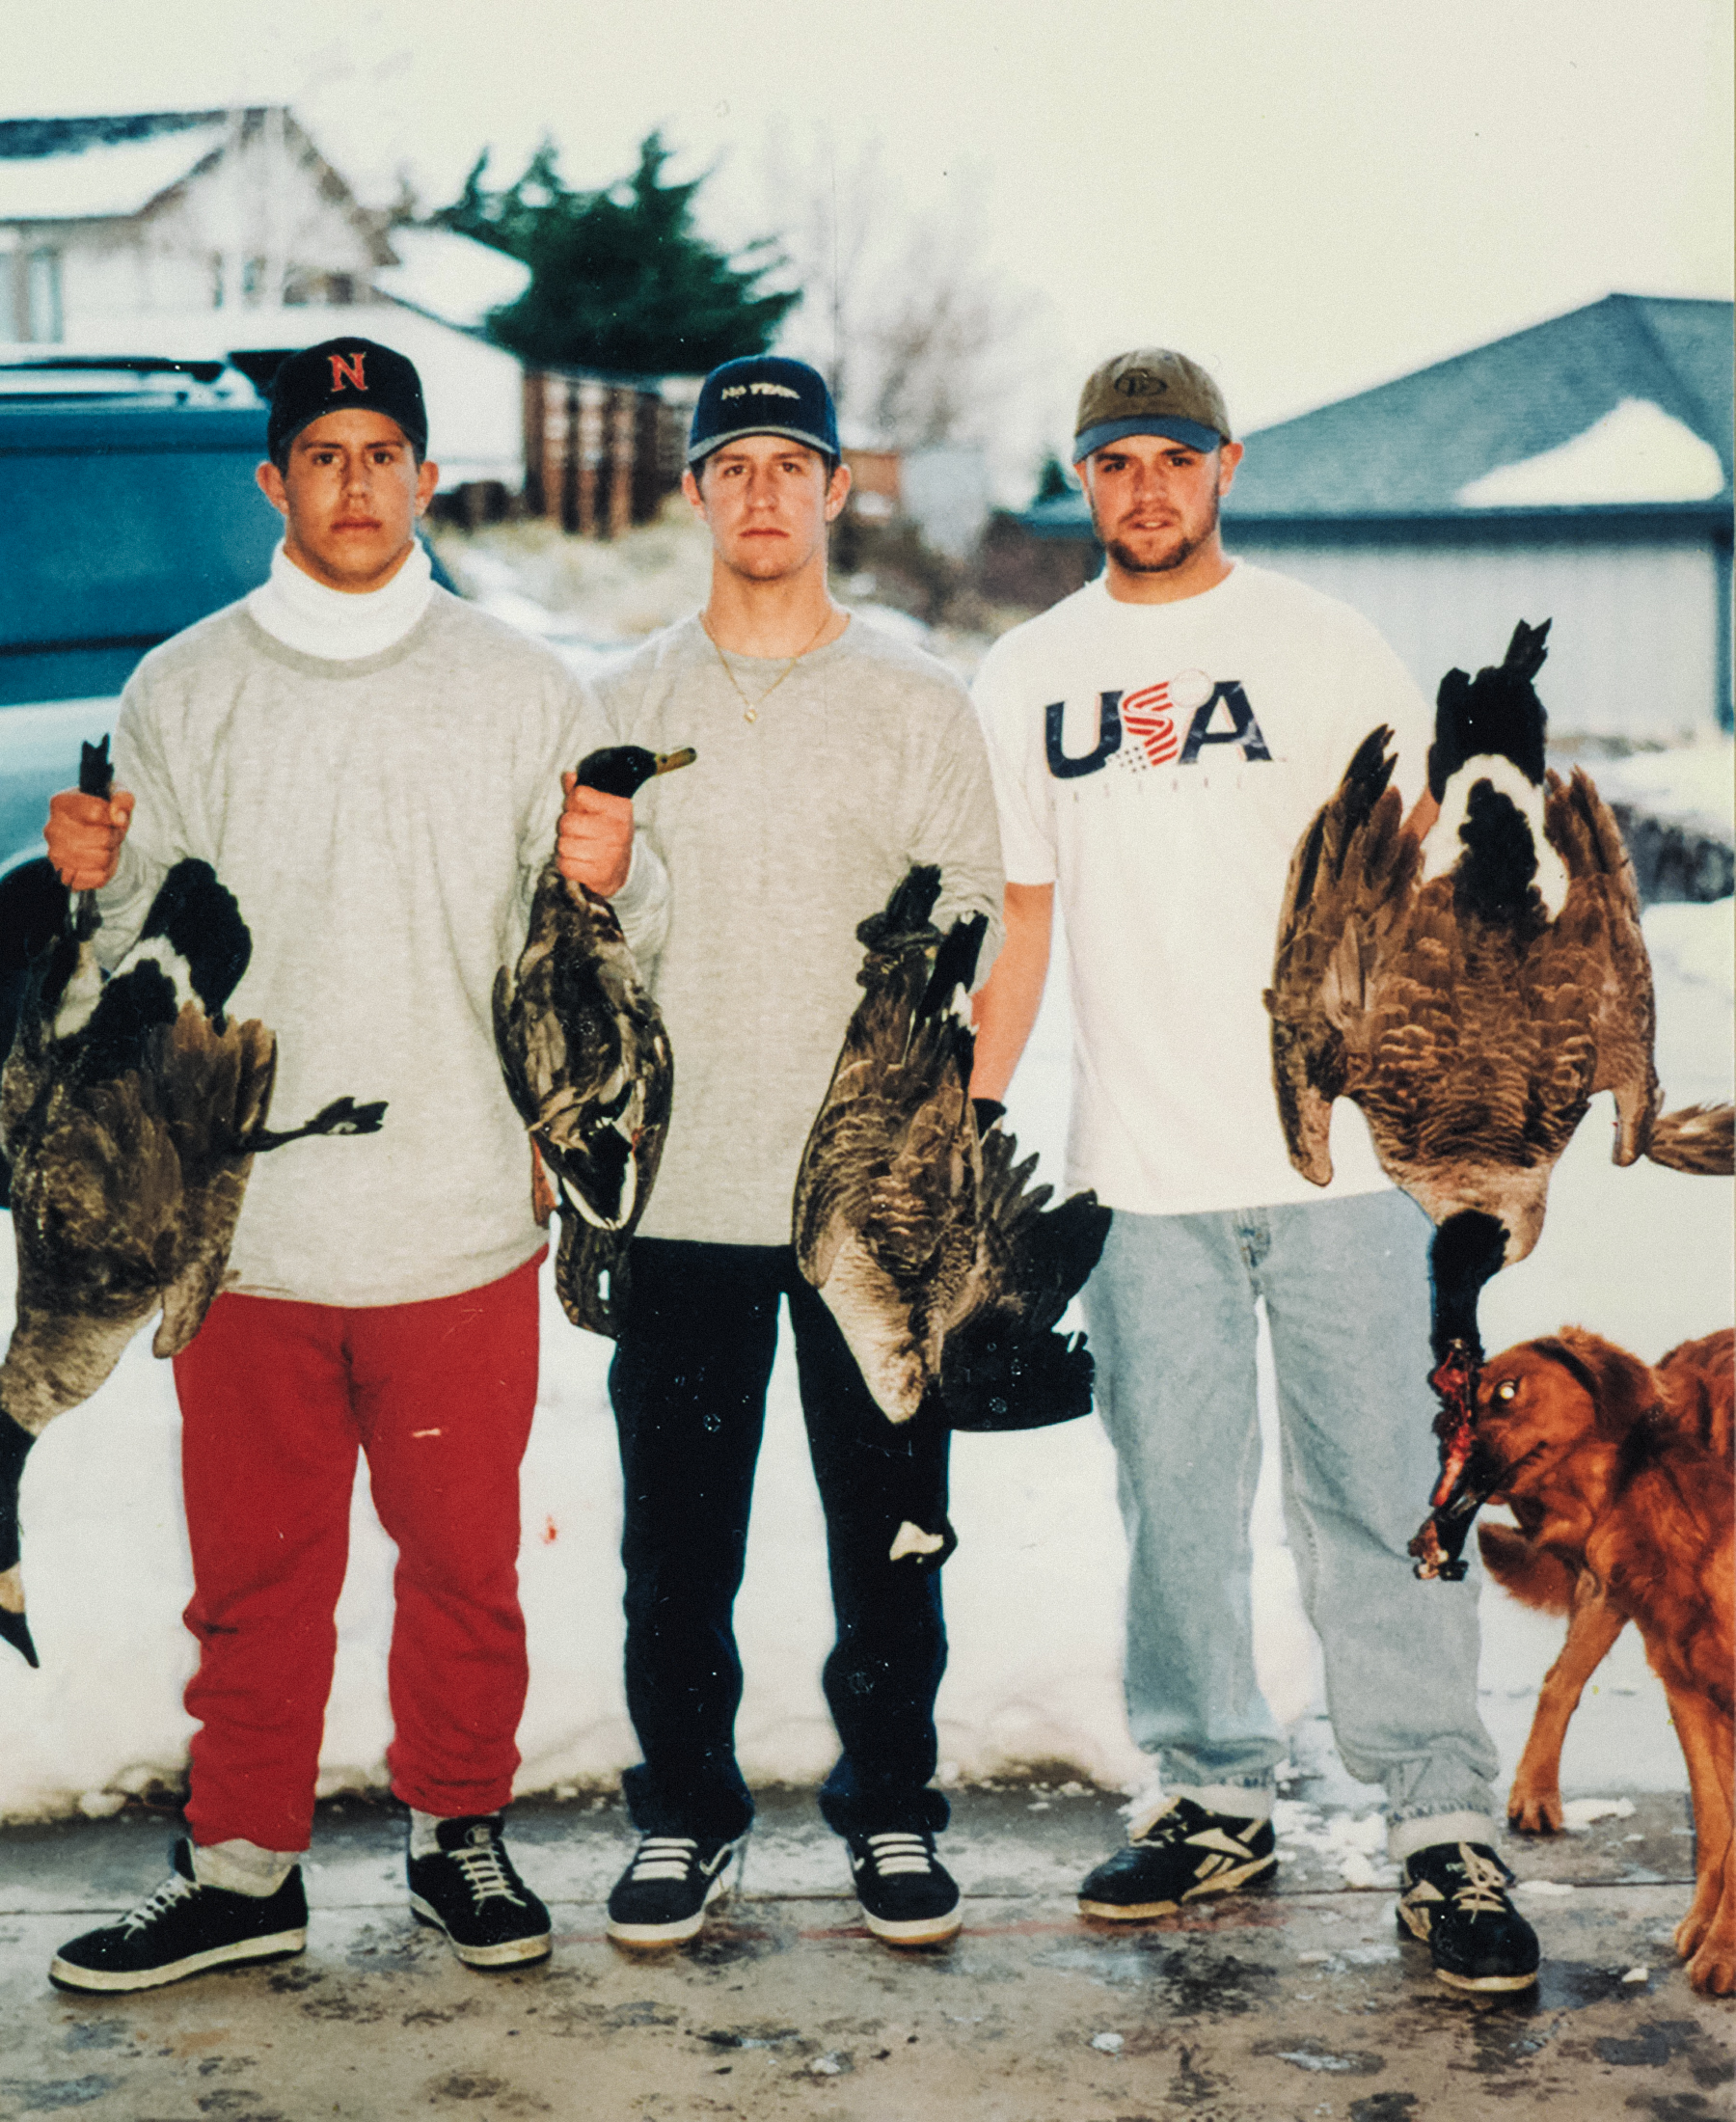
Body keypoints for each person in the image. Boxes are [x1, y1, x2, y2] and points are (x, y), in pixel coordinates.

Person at [41, 338, 665, 1992]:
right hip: (240, 1230)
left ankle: (461, 1836)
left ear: (426, 476)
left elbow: (605, 949)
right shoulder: (183, 687)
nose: (357, 480)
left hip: (459, 1219)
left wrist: (615, 868)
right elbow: (117, 971)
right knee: (255, 1578)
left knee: (465, 1571)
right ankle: (244, 1867)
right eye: (324, 452)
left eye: (386, 450)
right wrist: (74, 881)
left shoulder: (523, 685)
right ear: (274, 481)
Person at [969, 347, 1540, 1996]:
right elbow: (1023, 919)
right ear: (1081, 481)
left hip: (1346, 1167)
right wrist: (970, 1122)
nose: (1145, 488)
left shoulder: (1319, 643)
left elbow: (1433, 881)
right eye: (1112, 462)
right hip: (1139, 1173)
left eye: (1173, 456)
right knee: (1179, 1503)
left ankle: (1438, 1816)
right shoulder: (1028, 672)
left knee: (1384, 1494)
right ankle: (1213, 1787)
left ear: (1228, 464)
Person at [592, 355, 1003, 1950]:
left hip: (873, 1207)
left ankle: (891, 1809)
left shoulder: (914, 697)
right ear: (693, 492)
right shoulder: (622, 700)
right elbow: (569, 924)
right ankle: (685, 1817)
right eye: (733, 464)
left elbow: (977, 894)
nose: (762, 492)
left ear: (839, 490)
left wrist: (928, 1059)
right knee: (676, 1542)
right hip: (683, 1188)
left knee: (888, 1530)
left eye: (791, 464)